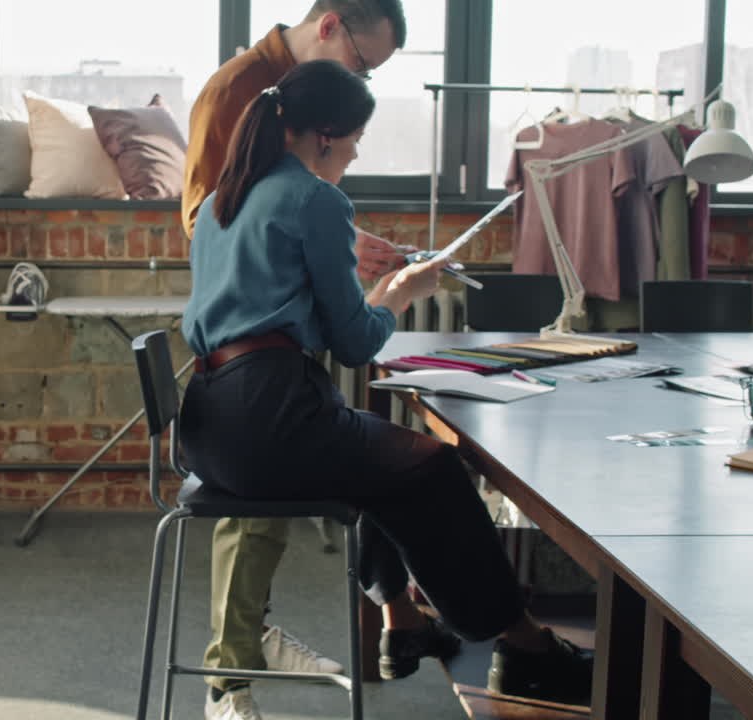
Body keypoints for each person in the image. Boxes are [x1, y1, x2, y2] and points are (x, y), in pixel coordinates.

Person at [181, 61, 594, 720]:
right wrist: (399, 296)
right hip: (271, 422)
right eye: (352, 143)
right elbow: (353, 343)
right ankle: (522, 644)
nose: (352, 155)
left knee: (381, 458)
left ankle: (403, 620)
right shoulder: (317, 199)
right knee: (431, 466)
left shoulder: (222, 202)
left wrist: (362, 285)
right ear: (323, 136)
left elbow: (276, 319)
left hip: (210, 426)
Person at [180, 2, 414, 714]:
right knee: (294, 460)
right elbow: (213, 214)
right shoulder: (236, 92)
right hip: (241, 344)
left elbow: (274, 207)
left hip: (236, 370)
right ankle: (236, 661)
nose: (361, 77)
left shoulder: (293, 107)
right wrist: (323, 238)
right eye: (363, 64)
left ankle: (246, 640)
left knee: (288, 459)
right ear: (331, 26)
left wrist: (332, 247)